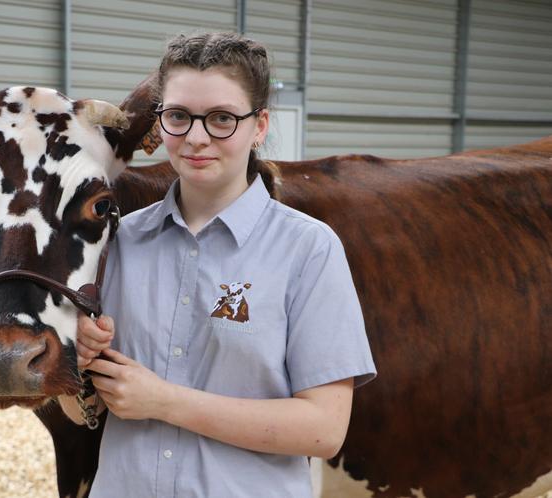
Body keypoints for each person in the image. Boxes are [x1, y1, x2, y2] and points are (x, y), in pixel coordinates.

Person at [66, 32, 376, 497]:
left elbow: (324, 429)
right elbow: (83, 412)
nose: (195, 137)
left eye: (221, 119)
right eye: (177, 117)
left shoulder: (308, 249)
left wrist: (166, 402)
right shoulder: (117, 243)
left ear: (260, 126)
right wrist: (80, 368)